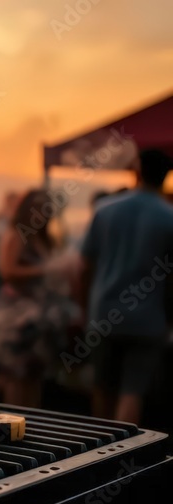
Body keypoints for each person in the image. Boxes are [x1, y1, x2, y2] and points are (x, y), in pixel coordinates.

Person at [81, 149, 173, 425]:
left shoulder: (105, 210)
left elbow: (84, 266)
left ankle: (100, 446)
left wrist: (85, 308)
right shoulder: (168, 216)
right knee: (133, 391)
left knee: (103, 387)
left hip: (104, 313)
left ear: (137, 169)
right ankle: (124, 447)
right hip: (148, 318)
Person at [0, 190, 77, 407]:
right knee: (17, 375)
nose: (43, 213)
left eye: (46, 208)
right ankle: (14, 421)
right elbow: (7, 271)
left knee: (34, 374)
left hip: (39, 317)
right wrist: (45, 270)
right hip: (17, 318)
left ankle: (29, 422)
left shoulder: (41, 237)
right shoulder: (17, 234)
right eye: (38, 207)